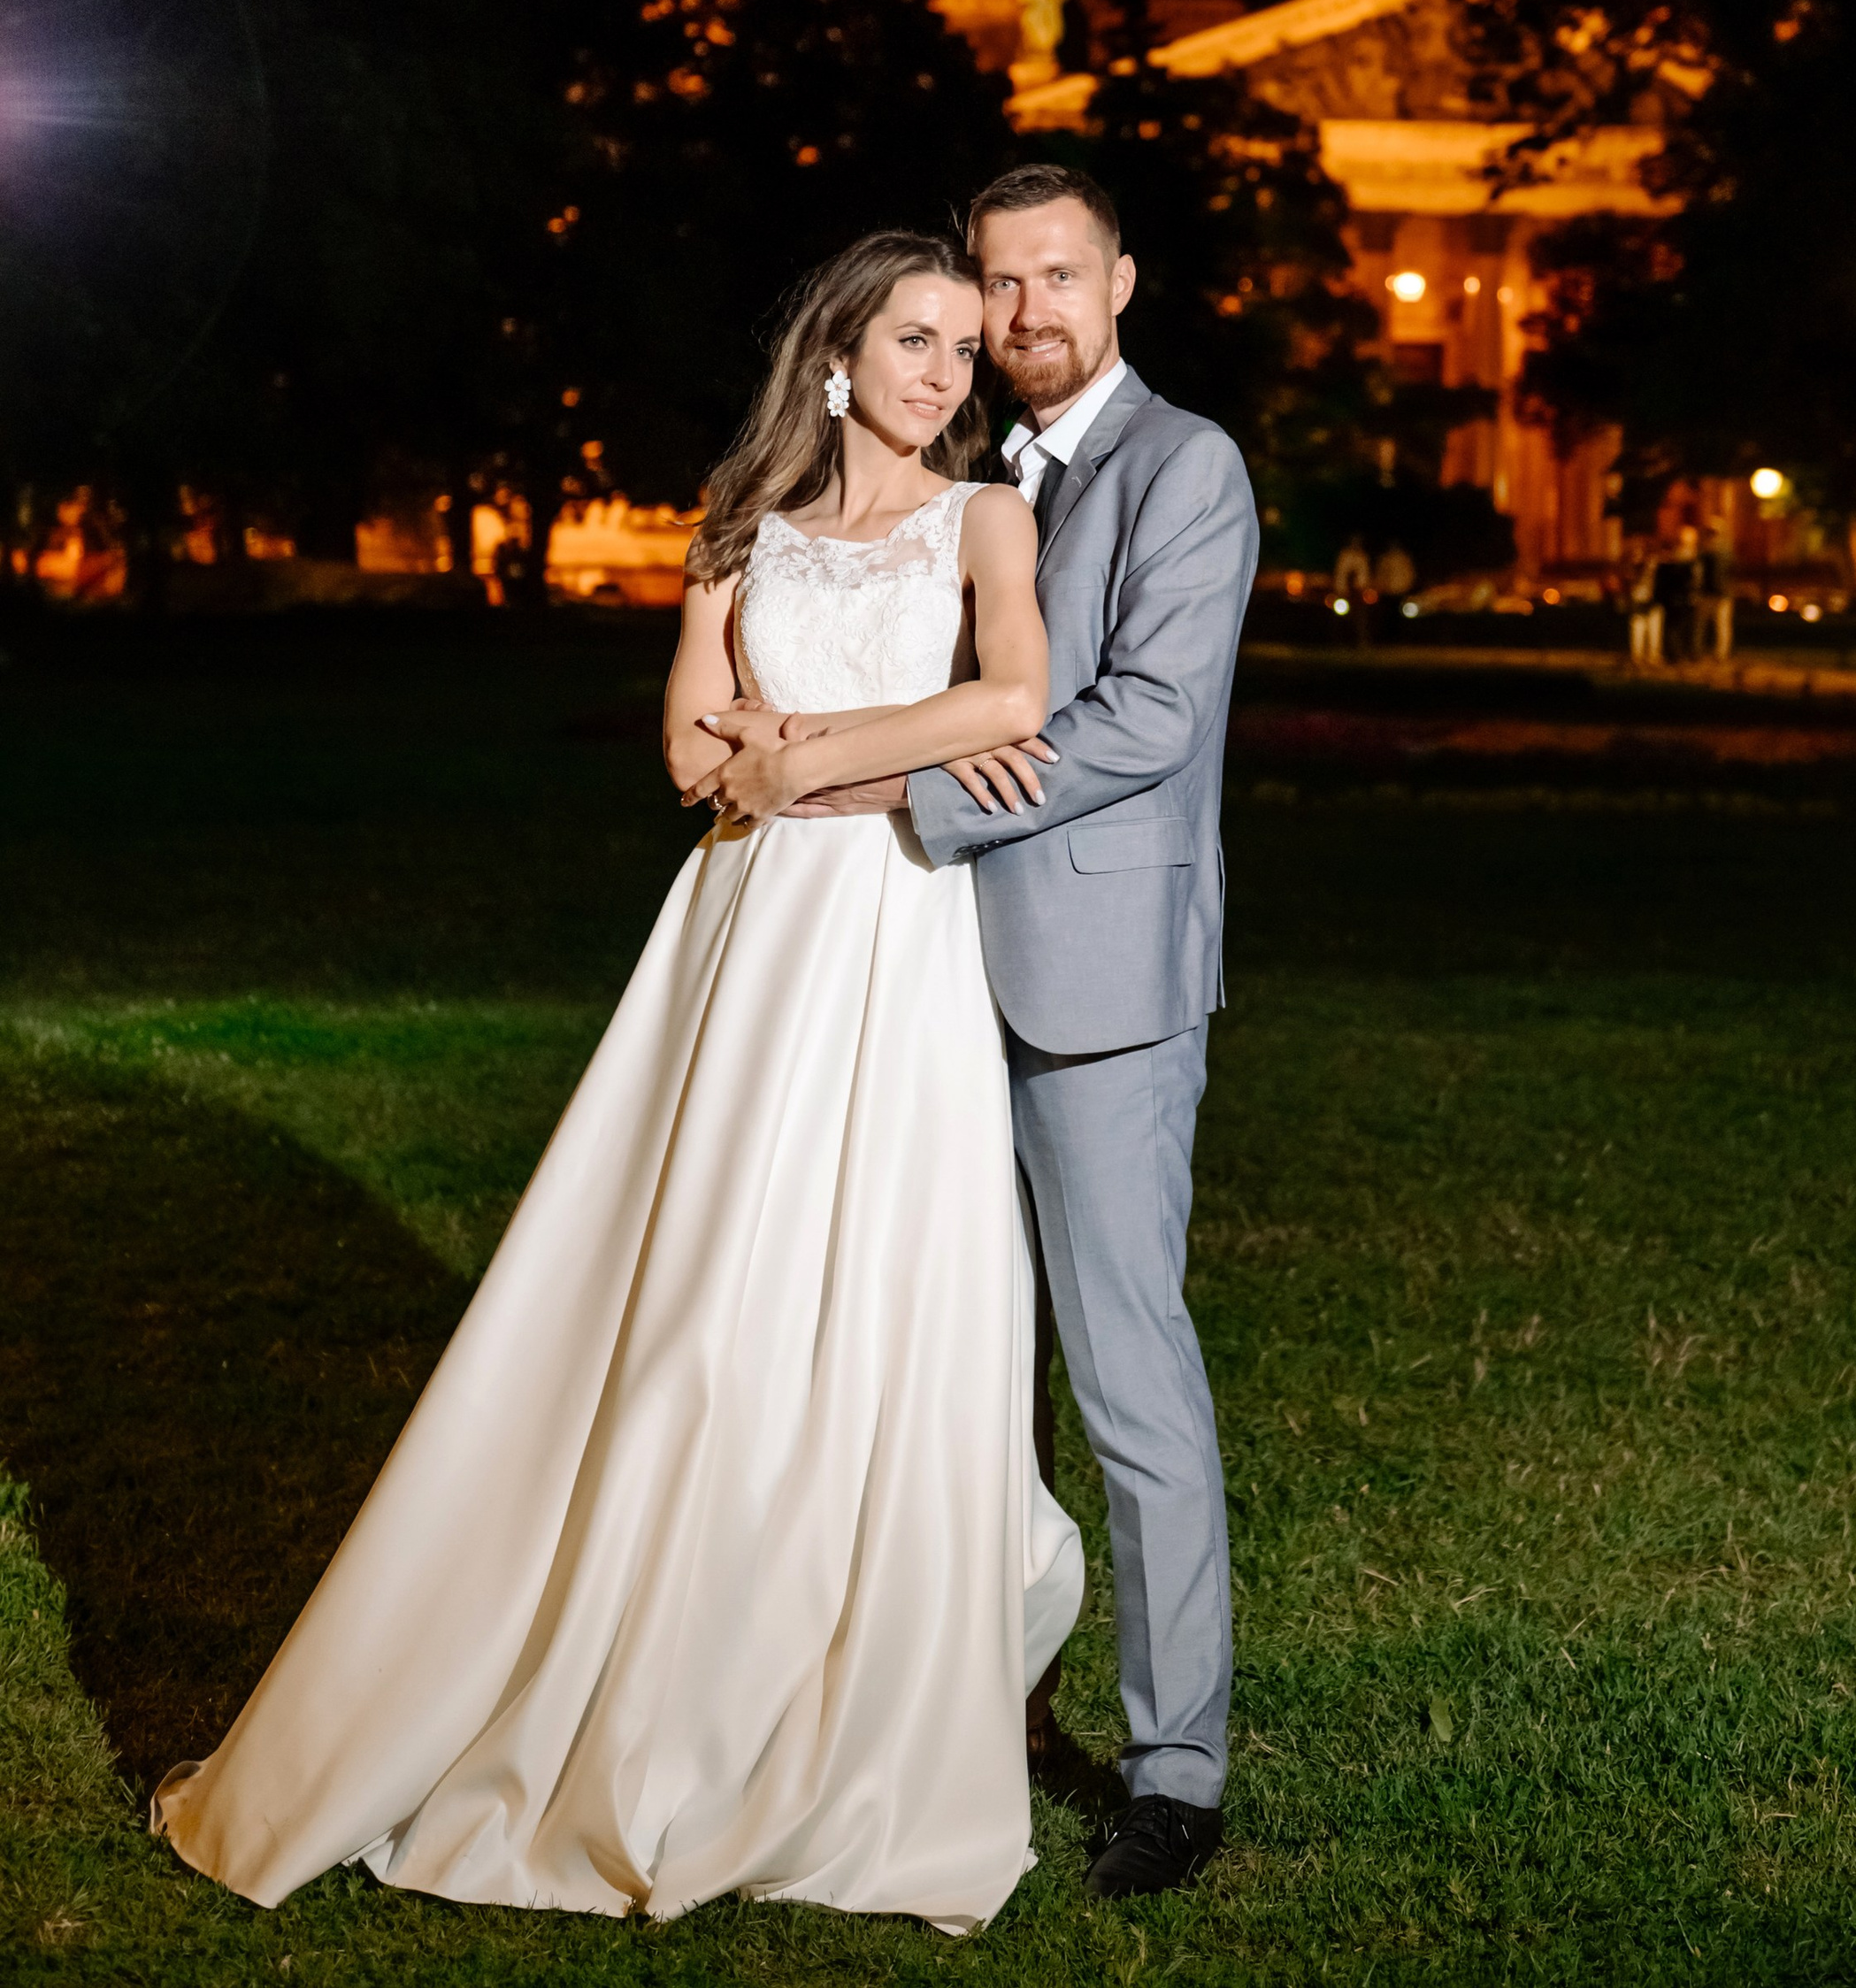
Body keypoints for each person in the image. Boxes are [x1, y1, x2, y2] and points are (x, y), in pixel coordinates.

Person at [153, 233, 1083, 1934]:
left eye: (965, 344)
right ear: (835, 357)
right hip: (743, 930)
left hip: (894, 927)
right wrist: (852, 741)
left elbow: (1015, 691)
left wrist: (811, 749)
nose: (949, 371)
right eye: (915, 339)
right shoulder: (741, 521)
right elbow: (685, 746)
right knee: (691, 1287)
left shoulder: (988, 522)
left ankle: (838, 1680)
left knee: (879, 1273)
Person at [783, 164, 1259, 1900]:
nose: (1026, 309)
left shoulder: (1183, 467)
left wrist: (911, 803)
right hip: (914, 980)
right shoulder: (967, 483)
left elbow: (1140, 718)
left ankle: (1173, 1761)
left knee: (1125, 1380)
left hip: (1097, 989)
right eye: (1000, 282)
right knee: (928, 1362)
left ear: (1119, 282)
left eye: (1058, 274)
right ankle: (915, 1705)